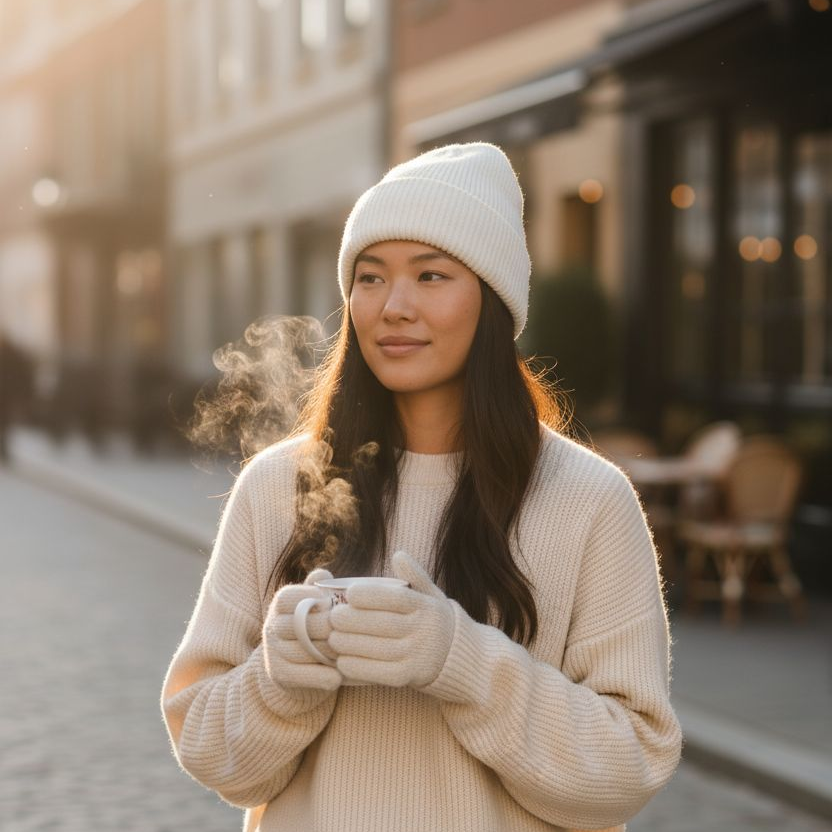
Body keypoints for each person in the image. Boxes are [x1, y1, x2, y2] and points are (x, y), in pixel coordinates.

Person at [161, 142, 683, 832]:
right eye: (370, 278)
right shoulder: (278, 487)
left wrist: (460, 660)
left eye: (431, 276)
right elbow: (213, 755)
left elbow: (627, 770)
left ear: (492, 301)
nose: (393, 307)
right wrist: (279, 679)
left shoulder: (589, 499)